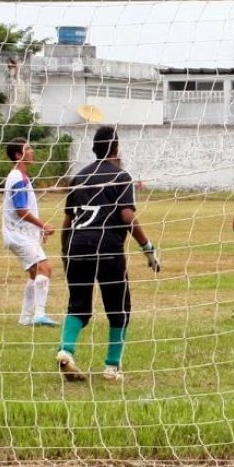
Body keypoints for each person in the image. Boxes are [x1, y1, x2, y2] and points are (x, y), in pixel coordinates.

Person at [57, 126, 162, 382]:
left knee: (78, 305)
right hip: (107, 249)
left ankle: (65, 351)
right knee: (119, 308)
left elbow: (68, 222)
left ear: (95, 149)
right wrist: (147, 248)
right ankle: (112, 367)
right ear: (116, 147)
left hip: (76, 246)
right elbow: (127, 216)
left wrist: (65, 252)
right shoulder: (121, 176)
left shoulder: (79, 177)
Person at [2, 138, 58, 327]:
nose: (32, 151)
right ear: (19, 155)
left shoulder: (21, 176)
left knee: (35, 275)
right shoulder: (18, 178)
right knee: (45, 269)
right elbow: (20, 210)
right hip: (18, 235)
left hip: (21, 234)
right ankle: (39, 314)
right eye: (28, 148)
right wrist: (43, 225)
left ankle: (25, 318)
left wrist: (37, 230)